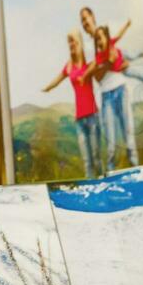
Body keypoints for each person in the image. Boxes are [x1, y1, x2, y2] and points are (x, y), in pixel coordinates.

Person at [41, 31, 103, 178]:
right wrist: (48, 88)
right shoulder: (69, 67)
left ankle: (104, 185)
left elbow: (98, 62)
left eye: (73, 41)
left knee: (97, 158)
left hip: (93, 115)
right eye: (69, 42)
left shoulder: (88, 60)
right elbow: (58, 78)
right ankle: (92, 191)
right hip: (79, 119)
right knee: (87, 161)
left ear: (79, 43)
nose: (71, 44)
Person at [90, 22, 138, 170]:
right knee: (111, 141)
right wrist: (109, 63)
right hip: (106, 97)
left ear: (107, 37)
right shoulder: (97, 59)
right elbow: (97, 78)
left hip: (121, 90)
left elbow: (125, 64)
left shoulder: (115, 49)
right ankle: (111, 171)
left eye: (101, 37)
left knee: (128, 133)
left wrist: (115, 64)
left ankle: (135, 167)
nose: (99, 41)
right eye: (96, 39)